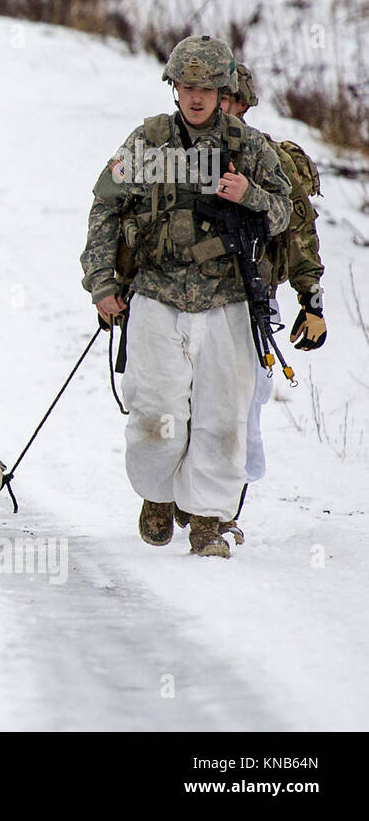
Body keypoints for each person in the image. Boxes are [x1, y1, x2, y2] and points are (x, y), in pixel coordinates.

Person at [81, 36, 292, 558]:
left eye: (206, 87)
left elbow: (287, 215)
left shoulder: (250, 148)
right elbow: (105, 207)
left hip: (228, 301)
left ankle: (208, 521)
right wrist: (102, 284)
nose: (196, 97)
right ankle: (157, 494)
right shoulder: (148, 141)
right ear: (174, 87)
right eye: (187, 86)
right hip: (156, 294)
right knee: (155, 414)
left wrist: (252, 196)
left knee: (223, 418)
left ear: (224, 91)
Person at [221, 63, 326, 493]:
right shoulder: (175, 148)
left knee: (244, 402)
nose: (216, 103)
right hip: (181, 296)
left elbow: (300, 232)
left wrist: (312, 301)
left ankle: (224, 504)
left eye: (226, 96)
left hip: (250, 295)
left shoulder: (267, 158)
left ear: (244, 103)